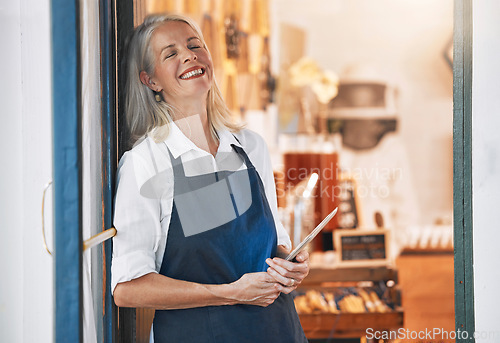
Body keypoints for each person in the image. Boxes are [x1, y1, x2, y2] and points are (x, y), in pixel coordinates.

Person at [111, 13, 309, 342]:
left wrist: (291, 263)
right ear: (151, 81)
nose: (189, 55)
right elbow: (128, 289)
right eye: (170, 53)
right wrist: (231, 293)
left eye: (194, 45)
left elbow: (274, 242)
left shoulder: (250, 146)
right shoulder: (146, 163)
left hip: (278, 331)